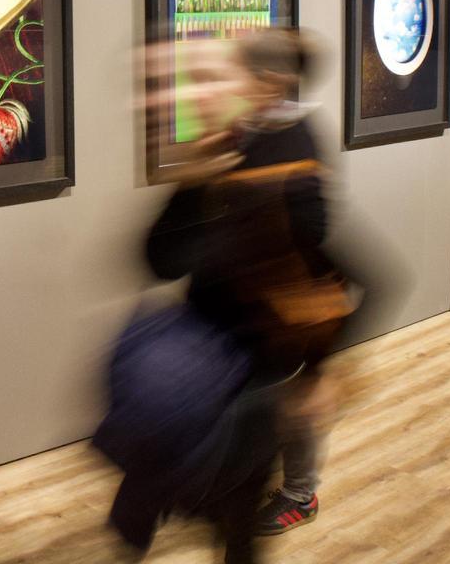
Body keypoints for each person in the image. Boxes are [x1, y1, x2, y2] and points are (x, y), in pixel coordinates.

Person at [142, 29, 354, 545]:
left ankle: (299, 493)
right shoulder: (239, 143)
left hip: (277, 328)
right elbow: (162, 259)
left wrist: (325, 369)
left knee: (288, 405)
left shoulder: (290, 149)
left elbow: (331, 250)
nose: (190, 96)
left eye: (214, 77)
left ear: (264, 85)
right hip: (239, 338)